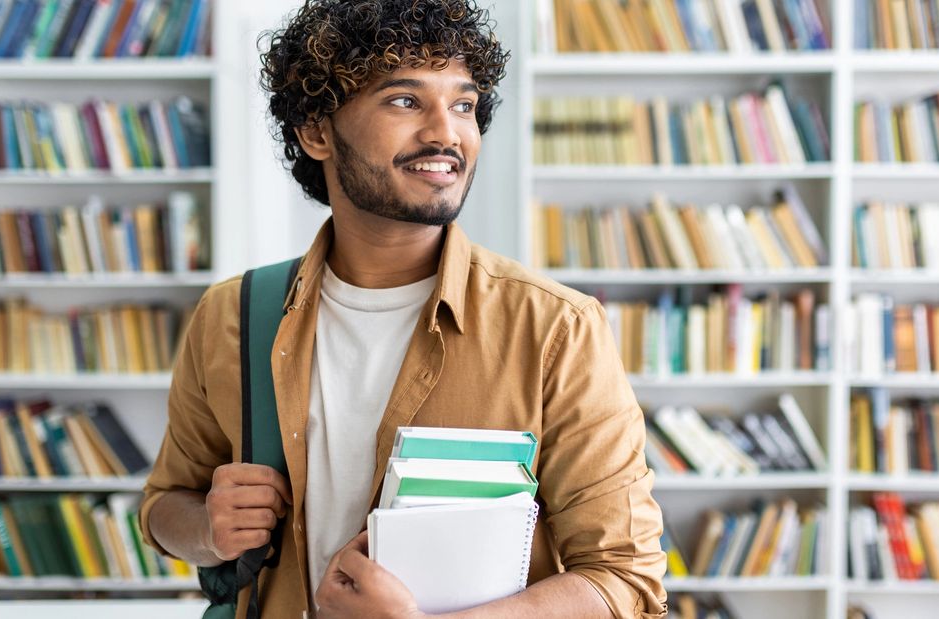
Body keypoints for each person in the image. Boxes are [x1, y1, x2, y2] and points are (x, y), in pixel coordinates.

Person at [139, 1, 668, 617]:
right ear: (316, 131)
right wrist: (207, 526)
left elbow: (624, 580)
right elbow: (163, 506)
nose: (447, 132)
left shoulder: (556, 330)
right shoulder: (231, 315)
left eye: (464, 105)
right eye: (405, 101)